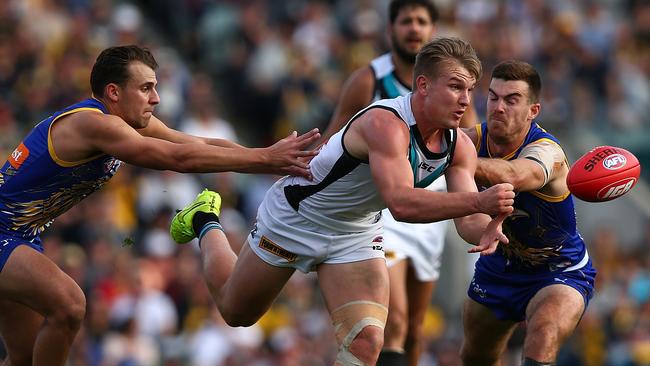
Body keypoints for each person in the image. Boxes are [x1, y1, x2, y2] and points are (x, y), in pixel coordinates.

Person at [170, 37, 515, 366]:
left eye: (470, 89)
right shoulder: (385, 124)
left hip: (356, 231)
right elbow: (403, 205)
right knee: (236, 313)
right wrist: (480, 201)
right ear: (423, 85)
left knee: (367, 340)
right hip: (298, 217)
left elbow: (468, 221)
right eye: (456, 87)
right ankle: (205, 219)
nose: (466, 100)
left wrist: (493, 228)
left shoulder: (460, 148)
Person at [0, 45, 320, 366]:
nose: (156, 98)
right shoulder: (95, 124)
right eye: (145, 88)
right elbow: (177, 158)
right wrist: (264, 158)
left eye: (155, 87)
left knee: (24, 357)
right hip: (4, 233)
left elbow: (198, 143)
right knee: (69, 305)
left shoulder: (124, 121)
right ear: (113, 92)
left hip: (21, 236)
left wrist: (267, 156)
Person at [318, 1, 477, 364]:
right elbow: (333, 138)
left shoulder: (454, 90)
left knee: (417, 327)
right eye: (407, 21)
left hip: (434, 208)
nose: (414, 29)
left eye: (422, 22)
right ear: (391, 30)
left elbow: (469, 145)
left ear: (432, 31)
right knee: (395, 320)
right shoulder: (368, 80)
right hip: (383, 204)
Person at [460, 60, 597, 366]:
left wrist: (451, 157)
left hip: (559, 269)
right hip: (499, 267)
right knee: (475, 356)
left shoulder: (549, 152)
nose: (498, 107)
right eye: (493, 97)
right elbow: (469, 224)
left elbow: (514, 174)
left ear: (533, 110)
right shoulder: (469, 141)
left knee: (543, 335)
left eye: (512, 100)